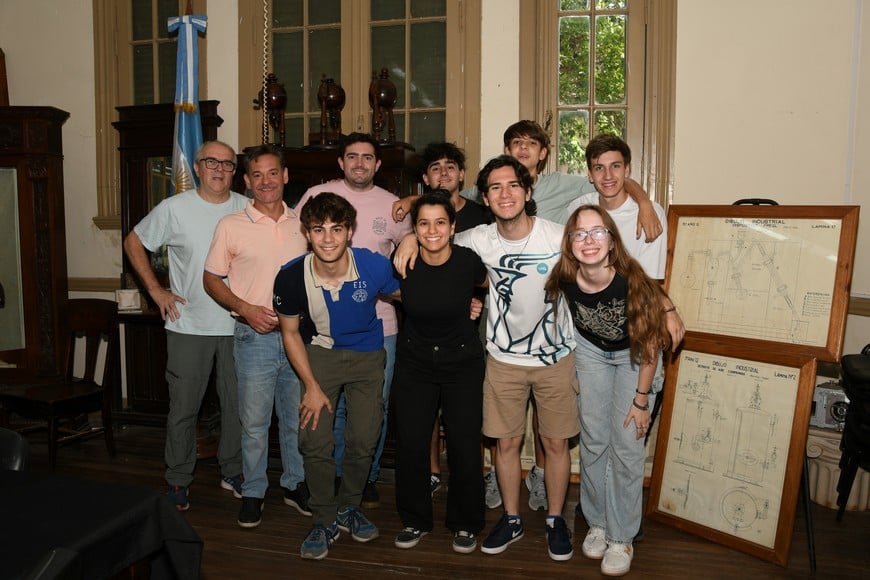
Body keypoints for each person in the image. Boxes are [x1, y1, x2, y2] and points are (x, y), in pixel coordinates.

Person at [395, 155, 579, 562]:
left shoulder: (557, 236)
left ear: (527, 191)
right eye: (494, 187)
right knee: (506, 441)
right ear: (486, 196)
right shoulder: (477, 238)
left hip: (555, 356)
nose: (505, 194)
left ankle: (554, 520)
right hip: (502, 357)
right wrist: (408, 237)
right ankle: (511, 518)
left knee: (554, 441)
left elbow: (603, 266)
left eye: (512, 185)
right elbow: (434, 240)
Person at [545, 204, 678, 576]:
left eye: (598, 232)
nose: (589, 241)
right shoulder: (565, 277)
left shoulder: (631, 281)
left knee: (626, 443)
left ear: (611, 240)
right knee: (593, 440)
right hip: (592, 353)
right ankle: (599, 522)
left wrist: (641, 402)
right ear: (570, 244)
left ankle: (622, 535)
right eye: (580, 234)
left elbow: (651, 346)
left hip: (635, 357)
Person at [273, 192, 400, 560]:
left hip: (367, 358)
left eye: (337, 229)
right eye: (319, 229)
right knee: (314, 439)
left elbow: (411, 295)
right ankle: (324, 518)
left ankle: (349, 506)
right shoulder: (291, 277)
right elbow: (290, 333)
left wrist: (462, 301)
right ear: (307, 234)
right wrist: (311, 386)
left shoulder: (373, 266)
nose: (328, 238)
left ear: (350, 232)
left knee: (363, 438)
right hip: (319, 357)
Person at [123, 140, 247, 511]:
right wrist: (156, 291)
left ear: (235, 171)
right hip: (188, 326)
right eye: (211, 162)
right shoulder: (174, 208)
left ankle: (234, 471)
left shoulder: (248, 208)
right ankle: (178, 479)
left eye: (227, 164)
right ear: (197, 166)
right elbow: (134, 242)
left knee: (237, 408)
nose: (219, 169)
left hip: (239, 327)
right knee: (184, 410)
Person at [295, 132, 411, 507]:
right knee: (334, 409)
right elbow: (298, 250)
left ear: (377, 165)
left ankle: (367, 476)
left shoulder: (394, 206)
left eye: (367, 157)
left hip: (381, 326)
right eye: (352, 156)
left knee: (371, 409)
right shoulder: (316, 196)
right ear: (341, 162)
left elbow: (408, 258)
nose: (359, 163)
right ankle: (338, 477)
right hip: (326, 325)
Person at [203, 144, 311, 529]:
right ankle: (253, 491)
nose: (266, 181)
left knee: (297, 418)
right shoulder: (231, 225)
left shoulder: (303, 224)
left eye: (273, 173)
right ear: (247, 182)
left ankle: (295, 484)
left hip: (298, 337)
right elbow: (211, 279)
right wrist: (246, 308)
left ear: (284, 176)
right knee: (253, 421)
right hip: (253, 338)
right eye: (257, 175)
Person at [392, 191, 488, 554]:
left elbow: (487, 287)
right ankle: (415, 519)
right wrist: (405, 241)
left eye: (440, 222)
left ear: (453, 227)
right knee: (413, 444)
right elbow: (388, 292)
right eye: (423, 223)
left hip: (462, 363)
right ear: (414, 229)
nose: (432, 230)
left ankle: (465, 523)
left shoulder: (469, 262)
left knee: (465, 445)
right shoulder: (403, 260)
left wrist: (474, 303)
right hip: (415, 363)